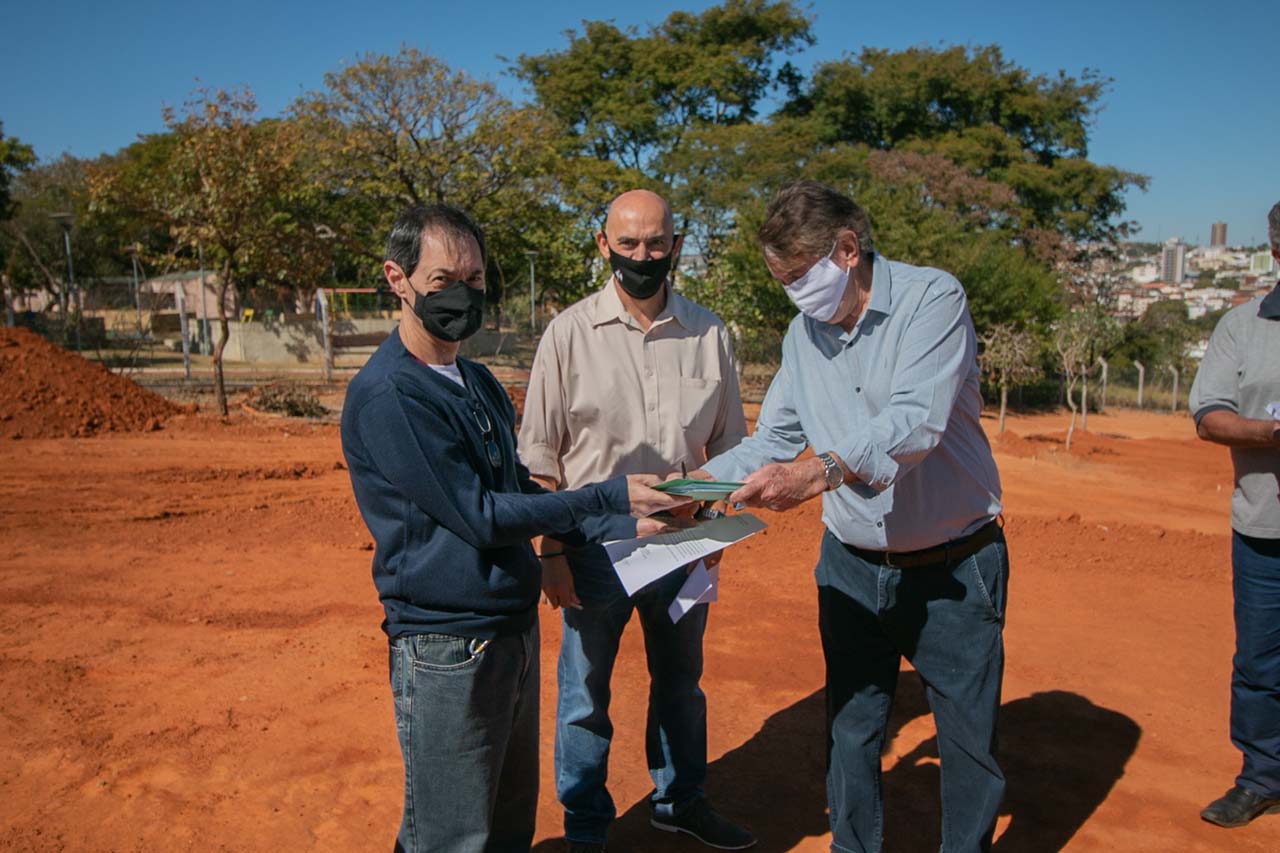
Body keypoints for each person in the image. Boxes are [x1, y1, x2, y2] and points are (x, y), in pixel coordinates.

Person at [339, 202, 688, 853]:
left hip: (509, 629)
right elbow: (480, 514)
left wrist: (620, 519)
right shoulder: (392, 395)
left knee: (506, 825)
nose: (464, 295)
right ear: (397, 277)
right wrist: (605, 495)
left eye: (475, 280)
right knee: (449, 834)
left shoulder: (475, 380)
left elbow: (517, 491)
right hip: (446, 646)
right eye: (444, 281)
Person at [693, 180, 1007, 853]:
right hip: (851, 567)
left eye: (799, 275)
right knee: (852, 725)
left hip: (953, 567)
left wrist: (818, 472)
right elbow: (772, 440)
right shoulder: (802, 336)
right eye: (781, 280)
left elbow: (913, 423)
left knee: (966, 740)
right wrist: (689, 485)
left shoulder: (933, 299)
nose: (793, 293)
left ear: (846, 248)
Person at [519, 189, 755, 852]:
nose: (643, 257)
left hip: (686, 546)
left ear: (676, 244)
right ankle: (586, 826)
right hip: (593, 549)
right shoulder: (568, 335)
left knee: (682, 681)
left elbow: (733, 448)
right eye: (628, 244)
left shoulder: (712, 334)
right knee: (583, 695)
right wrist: (553, 552)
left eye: (656, 243)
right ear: (603, 245)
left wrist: (717, 532)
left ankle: (680, 799)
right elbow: (540, 457)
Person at [1190, 201, 1280, 829]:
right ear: (1275, 251)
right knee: (1259, 663)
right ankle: (1261, 776)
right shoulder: (1242, 326)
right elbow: (1209, 415)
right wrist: (1270, 433)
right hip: (1264, 530)